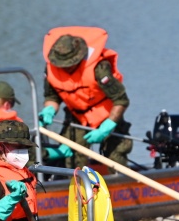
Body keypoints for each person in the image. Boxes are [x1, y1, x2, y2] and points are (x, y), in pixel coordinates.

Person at [39, 26, 133, 170]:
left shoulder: (99, 69)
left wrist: (106, 128)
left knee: (116, 158)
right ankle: (75, 189)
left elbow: (121, 100)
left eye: (68, 64)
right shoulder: (52, 69)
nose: (64, 68)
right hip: (77, 117)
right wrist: (49, 109)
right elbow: (52, 96)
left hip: (107, 116)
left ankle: (118, 187)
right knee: (72, 159)